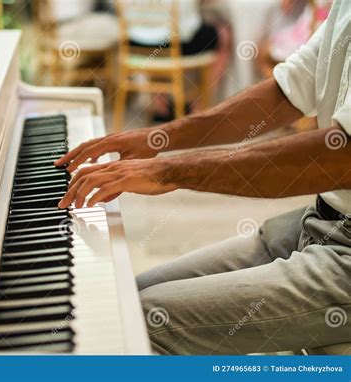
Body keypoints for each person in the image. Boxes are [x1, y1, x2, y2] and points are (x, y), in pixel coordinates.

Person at [55, 0, 350, 354]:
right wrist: (158, 139)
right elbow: (288, 88)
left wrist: (171, 171)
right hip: (320, 220)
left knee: (140, 324)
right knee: (125, 298)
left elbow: (339, 157)